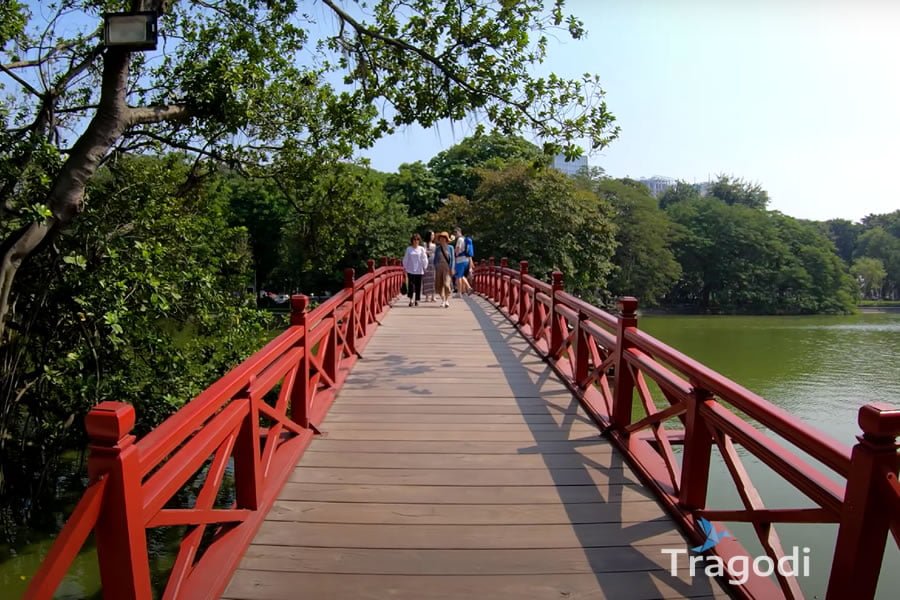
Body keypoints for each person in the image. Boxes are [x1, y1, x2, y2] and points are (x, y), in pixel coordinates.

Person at [402, 233, 428, 306]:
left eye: (417, 239)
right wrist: (404, 267)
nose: (416, 241)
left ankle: (417, 300)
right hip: (410, 269)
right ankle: (411, 300)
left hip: (419, 270)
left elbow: (424, 258)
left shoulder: (421, 249)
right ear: (412, 240)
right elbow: (406, 258)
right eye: (414, 239)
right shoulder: (409, 249)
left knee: (418, 286)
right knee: (411, 285)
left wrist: (425, 266)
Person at [433, 231, 455, 307]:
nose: (442, 240)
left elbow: (453, 259)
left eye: (444, 238)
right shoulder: (438, 248)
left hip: (447, 267)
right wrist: (435, 266)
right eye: (441, 238)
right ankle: (443, 300)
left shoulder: (451, 248)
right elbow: (435, 259)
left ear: (446, 239)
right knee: (439, 284)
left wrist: (452, 268)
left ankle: (447, 300)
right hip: (439, 267)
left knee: (446, 284)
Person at [453, 227, 472, 296]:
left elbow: (457, 249)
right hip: (466, 259)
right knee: (461, 275)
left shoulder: (459, 239)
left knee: (458, 276)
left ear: (458, 232)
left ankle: (459, 292)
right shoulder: (464, 239)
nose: (455, 235)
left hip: (460, 260)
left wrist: (455, 256)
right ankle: (468, 288)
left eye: (455, 233)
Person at [421, 230, 436, 302]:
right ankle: (427, 296)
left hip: (433, 262)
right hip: (426, 262)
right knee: (426, 279)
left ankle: (433, 296)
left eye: (433, 235)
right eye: (432, 235)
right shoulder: (424, 244)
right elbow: (423, 252)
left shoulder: (434, 245)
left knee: (433, 279)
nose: (433, 236)